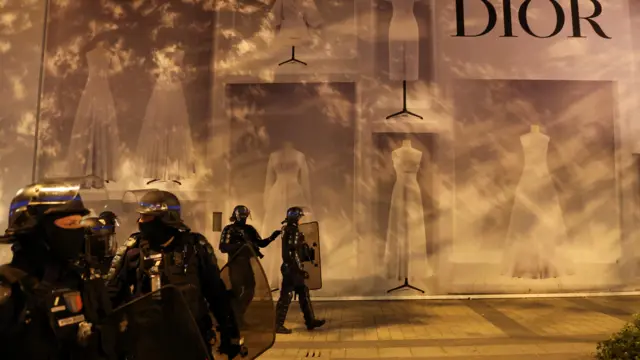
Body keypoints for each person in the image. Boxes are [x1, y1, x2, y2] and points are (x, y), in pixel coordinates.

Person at [105, 190, 243, 359]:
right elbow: (111, 295)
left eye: (146, 217)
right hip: (147, 342)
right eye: (140, 216)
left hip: (191, 339)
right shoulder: (133, 249)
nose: (140, 221)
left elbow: (216, 293)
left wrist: (230, 331)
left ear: (165, 218)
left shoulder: (195, 248)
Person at [0, 182, 116, 360]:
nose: (78, 231)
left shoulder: (83, 279)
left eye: (79, 223)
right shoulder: (9, 286)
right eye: (69, 224)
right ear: (35, 230)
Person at [219, 205, 281, 324]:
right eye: (242, 216)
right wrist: (241, 245)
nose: (244, 218)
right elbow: (223, 247)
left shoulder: (249, 229)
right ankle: (233, 319)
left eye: (245, 216)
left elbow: (260, 244)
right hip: (235, 263)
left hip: (247, 263)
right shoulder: (229, 229)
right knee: (236, 292)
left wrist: (272, 237)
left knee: (250, 289)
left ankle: (238, 315)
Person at [275, 206, 325, 334]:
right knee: (286, 297)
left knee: (303, 294)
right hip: (292, 269)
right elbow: (292, 252)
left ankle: (310, 321)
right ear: (296, 218)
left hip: (290, 267)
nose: (301, 220)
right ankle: (277, 325)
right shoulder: (293, 231)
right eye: (300, 217)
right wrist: (300, 269)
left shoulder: (288, 230)